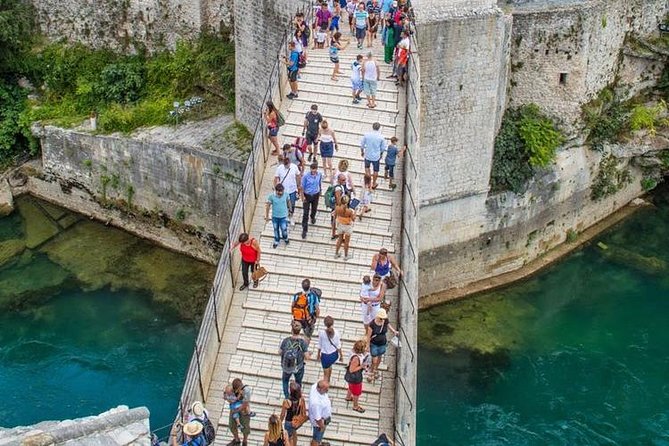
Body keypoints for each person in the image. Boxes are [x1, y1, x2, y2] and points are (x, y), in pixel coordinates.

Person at [280, 321, 311, 398]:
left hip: (287, 366)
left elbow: (279, 352)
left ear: (291, 330)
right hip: (298, 367)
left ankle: (287, 397)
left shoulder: (286, 340)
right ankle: (297, 396)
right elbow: (307, 357)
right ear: (300, 331)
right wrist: (309, 354)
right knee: (298, 381)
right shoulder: (302, 342)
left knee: (285, 381)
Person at [366, 308, 397, 383]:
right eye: (381, 318)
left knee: (379, 357)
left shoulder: (385, 320)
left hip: (383, 343)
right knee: (374, 360)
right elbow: (368, 336)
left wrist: (394, 331)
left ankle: (375, 370)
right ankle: (371, 371)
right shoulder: (372, 324)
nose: (382, 319)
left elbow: (388, 325)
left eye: (383, 318)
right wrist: (367, 345)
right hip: (374, 344)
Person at [274, 155, 302, 224]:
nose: (287, 166)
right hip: (283, 190)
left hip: (292, 189)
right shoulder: (280, 168)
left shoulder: (294, 167)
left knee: (292, 204)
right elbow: (276, 178)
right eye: (285, 165)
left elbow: (298, 176)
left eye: (288, 165)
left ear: (290, 163)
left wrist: (298, 186)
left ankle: (291, 216)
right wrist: (276, 187)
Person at [360, 122, 387, 188]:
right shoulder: (381, 137)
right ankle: (374, 183)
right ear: (379, 128)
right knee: (376, 170)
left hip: (368, 154)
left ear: (372, 127)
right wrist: (381, 154)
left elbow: (362, 144)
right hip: (376, 156)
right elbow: (383, 148)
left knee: (367, 168)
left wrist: (362, 152)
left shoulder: (367, 135)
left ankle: (368, 182)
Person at [317, 315, 343, 382]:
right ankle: (329, 379)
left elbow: (320, 345)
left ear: (325, 324)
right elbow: (338, 345)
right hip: (334, 355)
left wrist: (318, 354)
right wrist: (341, 356)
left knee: (325, 373)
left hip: (325, 356)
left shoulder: (322, 333)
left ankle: (326, 383)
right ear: (333, 323)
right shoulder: (336, 332)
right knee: (330, 366)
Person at [300, 162, 323, 239]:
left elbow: (319, 183)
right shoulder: (306, 176)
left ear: (316, 169)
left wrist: (320, 190)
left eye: (315, 169)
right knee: (305, 213)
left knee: (314, 209)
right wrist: (302, 197)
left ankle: (312, 216)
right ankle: (304, 229)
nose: (313, 171)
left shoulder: (319, 174)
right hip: (307, 195)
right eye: (312, 169)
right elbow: (302, 187)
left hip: (315, 194)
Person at [227, 378, 252, 446]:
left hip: (243, 411)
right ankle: (237, 439)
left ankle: (245, 441)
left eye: (236, 389)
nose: (235, 391)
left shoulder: (246, 391)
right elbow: (227, 396)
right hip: (234, 408)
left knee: (245, 427)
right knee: (231, 425)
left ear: (240, 387)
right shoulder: (231, 388)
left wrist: (236, 410)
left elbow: (245, 404)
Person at [345, 339, 368, 413]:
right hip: (355, 377)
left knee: (350, 386)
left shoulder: (352, 352)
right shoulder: (356, 358)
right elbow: (352, 370)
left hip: (350, 377)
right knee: (356, 392)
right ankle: (355, 406)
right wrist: (361, 366)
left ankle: (348, 397)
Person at [281, 382, 306, 446]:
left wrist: (279, 422)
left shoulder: (287, 401)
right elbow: (303, 411)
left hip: (289, 422)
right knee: (294, 432)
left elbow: (283, 415)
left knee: (289, 438)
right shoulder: (301, 399)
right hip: (297, 421)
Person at [265, 184, 291, 248]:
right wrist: (267, 216)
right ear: (276, 191)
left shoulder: (286, 195)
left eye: (281, 191)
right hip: (275, 217)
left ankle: (285, 238)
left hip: (283, 216)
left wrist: (290, 210)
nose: (281, 193)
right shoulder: (271, 196)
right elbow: (268, 206)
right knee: (275, 229)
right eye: (279, 191)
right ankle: (277, 240)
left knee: (284, 229)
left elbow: (288, 202)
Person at [308, 380, 332, 446]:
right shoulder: (316, 403)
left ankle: (319, 443)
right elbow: (317, 418)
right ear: (319, 388)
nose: (327, 390)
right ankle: (316, 444)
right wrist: (322, 426)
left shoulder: (315, 386)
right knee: (316, 438)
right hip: (319, 423)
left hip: (324, 420)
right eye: (325, 389)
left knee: (318, 437)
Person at [329, 173, 352, 240]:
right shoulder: (338, 188)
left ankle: (334, 234)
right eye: (343, 180)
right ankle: (336, 235)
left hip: (337, 207)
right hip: (337, 207)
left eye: (345, 180)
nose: (344, 181)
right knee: (338, 221)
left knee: (334, 220)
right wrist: (341, 208)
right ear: (339, 180)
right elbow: (338, 199)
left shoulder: (340, 186)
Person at [334, 194, 355, 260]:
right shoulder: (350, 211)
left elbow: (335, 216)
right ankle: (346, 256)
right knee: (346, 242)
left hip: (340, 225)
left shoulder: (337, 208)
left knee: (339, 240)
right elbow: (353, 219)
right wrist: (355, 212)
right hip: (348, 226)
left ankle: (336, 254)